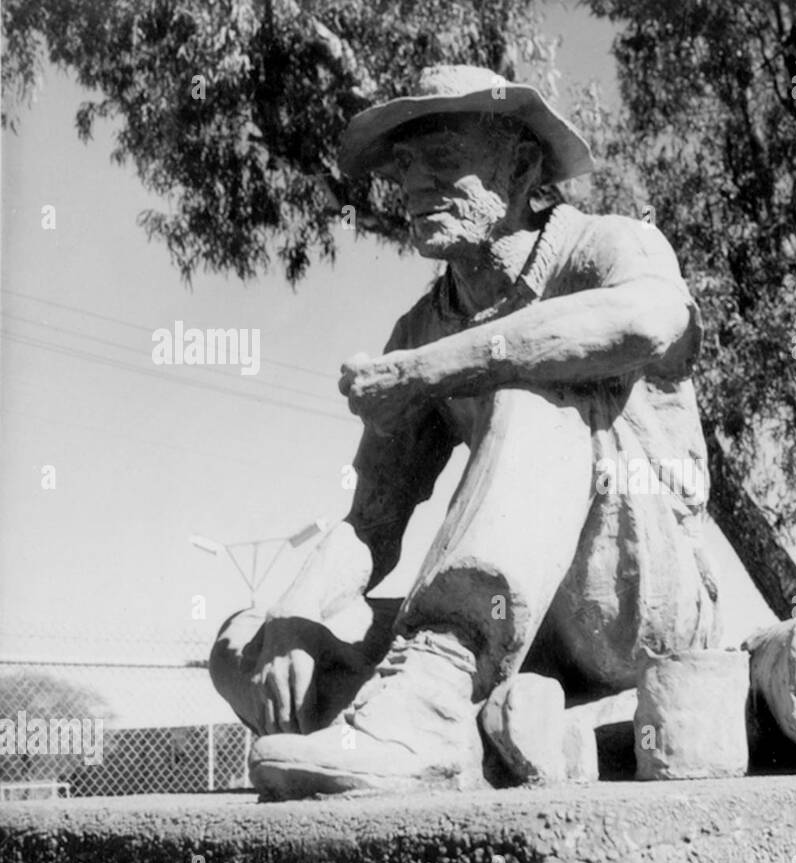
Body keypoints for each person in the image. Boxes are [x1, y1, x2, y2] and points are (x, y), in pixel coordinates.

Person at [209, 65, 720, 799]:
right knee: (241, 643)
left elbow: (644, 320)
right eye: (404, 164)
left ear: (520, 166)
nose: (414, 182)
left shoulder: (608, 247)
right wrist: (287, 621)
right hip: (519, 632)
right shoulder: (419, 327)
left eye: (444, 158)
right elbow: (370, 525)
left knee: (532, 389)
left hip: (639, 605)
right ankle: (461, 717)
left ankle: (431, 706)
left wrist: (429, 372)